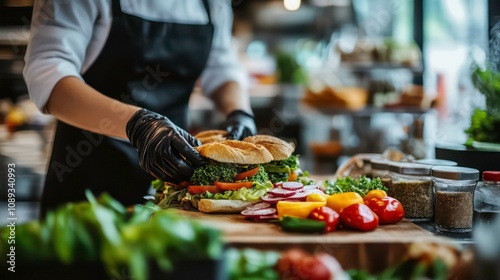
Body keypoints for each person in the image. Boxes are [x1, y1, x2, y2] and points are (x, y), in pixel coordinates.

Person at [23, 0, 256, 214]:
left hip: (176, 180)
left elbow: (221, 67)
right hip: (87, 182)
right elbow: (48, 70)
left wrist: (240, 112)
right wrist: (137, 125)